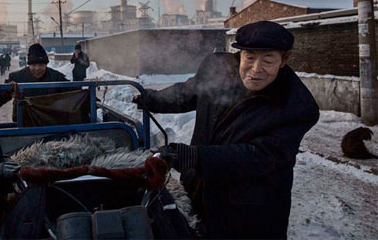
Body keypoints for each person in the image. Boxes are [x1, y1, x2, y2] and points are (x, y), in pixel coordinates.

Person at [133, 21, 319, 239]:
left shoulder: (296, 106)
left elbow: (259, 156)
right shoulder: (218, 69)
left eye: (268, 60)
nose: (256, 69)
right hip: (199, 191)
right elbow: (188, 93)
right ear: (239, 54)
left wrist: (196, 157)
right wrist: (150, 99)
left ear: (284, 60)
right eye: (249, 58)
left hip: (248, 211)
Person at [0, 43, 69, 117]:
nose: (37, 68)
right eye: (33, 65)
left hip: (49, 122)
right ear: (29, 65)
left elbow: (73, 92)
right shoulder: (18, 78)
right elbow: (1, 94)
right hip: (24, 124)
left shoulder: (56, 77)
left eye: (41, 65)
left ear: (46, 64)